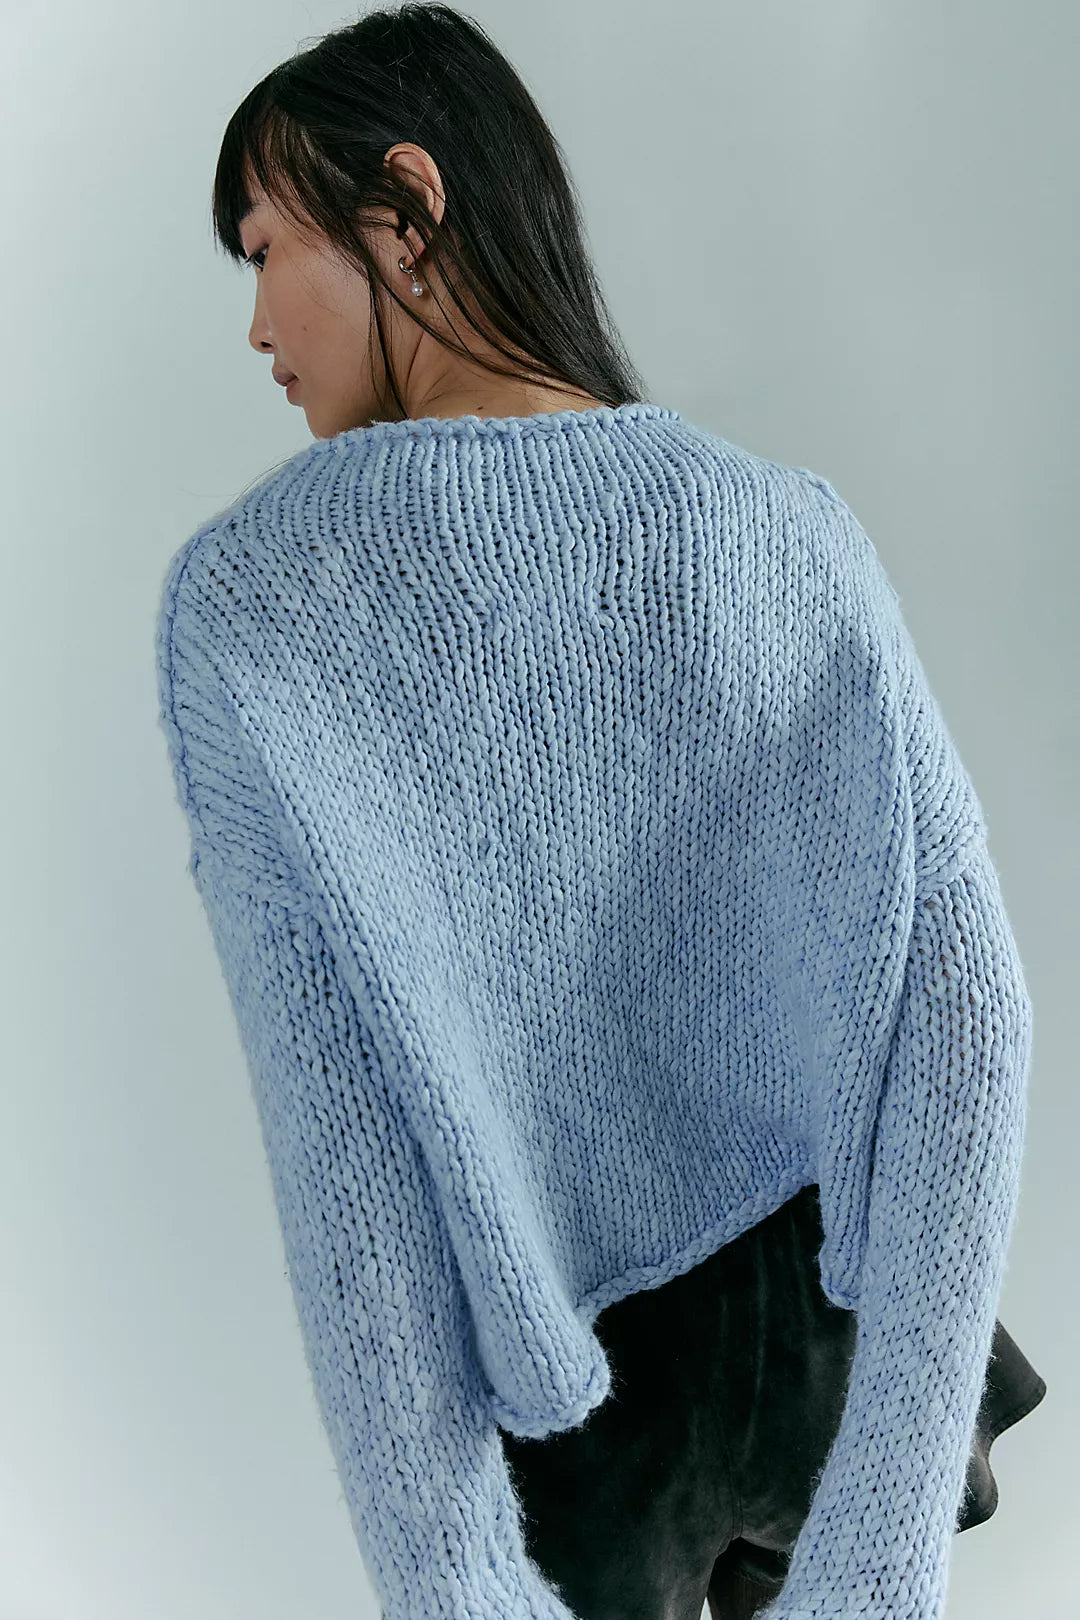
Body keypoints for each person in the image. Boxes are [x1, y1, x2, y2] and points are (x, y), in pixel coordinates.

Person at [158, 6, 1046, 1618]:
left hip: (573, 1445)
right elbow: (966, 1023)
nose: (259, 323)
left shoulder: (254, 611)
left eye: (267, 247)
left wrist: (453, 1582)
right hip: (835, 1358)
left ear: (403, 210)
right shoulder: (777, 528)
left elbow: (351, 1175)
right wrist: (888, 1519)